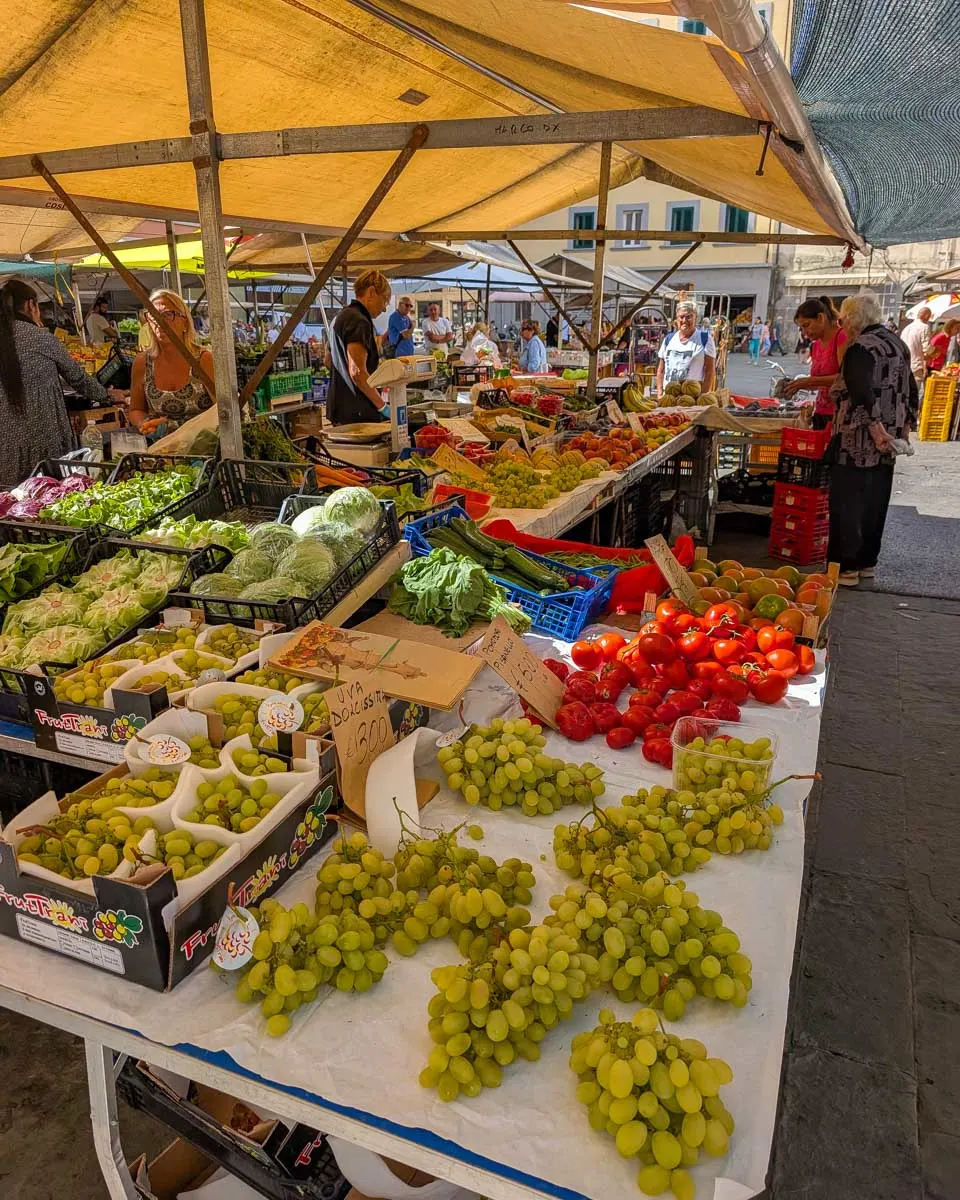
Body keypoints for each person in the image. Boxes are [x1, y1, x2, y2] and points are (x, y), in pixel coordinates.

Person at [829, 293, 918, 587]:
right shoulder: (897, 343)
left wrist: (876, 429)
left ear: (853, 320)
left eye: (842, 319)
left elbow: (860, 392)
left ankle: (847, 567)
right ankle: (867, 562)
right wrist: (903, 427)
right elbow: (912, 389)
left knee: (848, 501)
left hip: (859, 438)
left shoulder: (860, 348)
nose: (842, 326)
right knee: (876, 500)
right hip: (889, 440)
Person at [0, 280, 115, 481]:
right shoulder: (41, 338)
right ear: (30, 305)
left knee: (10, 502)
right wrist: (107, 395)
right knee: (46, 494)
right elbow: (78, 379)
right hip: (43, 438)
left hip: (5, 446)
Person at [128, 290, 214, 429]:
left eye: (168, 314)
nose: (159, 321)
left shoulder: (203, 360)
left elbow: (223, 410)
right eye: (153, 316)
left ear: (185, 322)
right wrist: (144, 424)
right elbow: (136, 409)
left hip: (204, 445)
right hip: (162, 447)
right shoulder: (142, 363)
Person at [326, 268, 391, 426]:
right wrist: (382, 407)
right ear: (371, 292)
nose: (384, 308)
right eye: (385, 300)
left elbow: (328, 360)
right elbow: (357, 372)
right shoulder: (359, 321)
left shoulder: (339, 317)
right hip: (358, 415)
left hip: (339, 410)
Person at [783, 297, 847, 429]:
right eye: (802, 328)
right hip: (821, 412)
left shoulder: (841, 337)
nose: (805, 332)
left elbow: (845, 378)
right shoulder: (816, 345)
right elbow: (818, 382)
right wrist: (798, 385)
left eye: (807, 325)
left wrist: (809, 381)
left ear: (820, 318)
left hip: (840, 414)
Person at [656, 301, 716, 395]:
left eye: (688, 317)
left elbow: (710, 371)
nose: (684, 320)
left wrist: (702, 396)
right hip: (668, 395)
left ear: (695, 317)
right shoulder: (669, 339)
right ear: (677, 319)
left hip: (692, 397)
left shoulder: (705, 339)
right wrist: (659, 393)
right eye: (681, 317)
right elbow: (661, 369)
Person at [899, 305, 932, 396]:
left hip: (904, 363)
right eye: (929, 316)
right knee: (913, 393)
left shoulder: (907, 328)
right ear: (926, 315)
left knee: (902, 392)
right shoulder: (924, 327)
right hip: (916, 364)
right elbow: (927, 348)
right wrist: (935, 350)